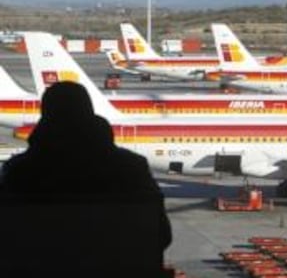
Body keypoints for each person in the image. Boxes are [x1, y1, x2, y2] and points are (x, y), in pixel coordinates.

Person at [1, 81, 172, 272]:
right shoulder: (132, 167)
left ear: (45, 114)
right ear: (89, 110)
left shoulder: (19, 171)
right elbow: (162, 236)